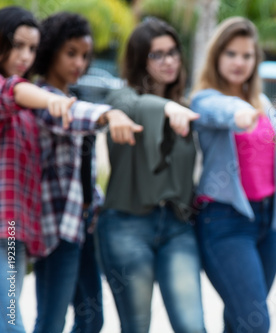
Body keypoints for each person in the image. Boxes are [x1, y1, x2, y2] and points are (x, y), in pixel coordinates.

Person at [30, 12, 142, 333]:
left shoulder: (71, 97)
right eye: (71, 53)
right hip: (55, 229)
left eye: (84, 55)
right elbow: (69, 116)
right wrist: (110, 114)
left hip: (82, 226)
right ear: (50, 50)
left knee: (92, 319)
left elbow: (83, 170)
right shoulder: (42, 98)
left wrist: (96, 202)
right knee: (51, 321)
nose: (79, 63)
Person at [190, 17, 276, 333]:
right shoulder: (204, 99)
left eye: (246, 55)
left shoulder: (264, 103)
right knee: (256, 324)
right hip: (225, 223)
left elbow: (274, 174)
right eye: (231, 54)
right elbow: (218, 110)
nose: (239, 62)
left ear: (255, 60)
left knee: (239, 321)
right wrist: (237, 114)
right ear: (216, 57)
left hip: (268, 223)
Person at [95, 17, 205, 333]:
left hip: (176, 227)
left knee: (192, 326)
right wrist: (167, 110)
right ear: (139, 59)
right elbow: (130, 104)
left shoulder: (186, 105)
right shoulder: (122, 101)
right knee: (136, 327)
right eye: (157, 54)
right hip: (126, 226)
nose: (168, 61)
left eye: (172, 52)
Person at [0, 6, 77, 332]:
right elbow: (11, 91)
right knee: (9, 322)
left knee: (10, 317)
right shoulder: (18, 93)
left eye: (32, 48)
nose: (25, 56)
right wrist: (50, 100)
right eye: (17, 45)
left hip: (16, 232)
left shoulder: (30, 113)